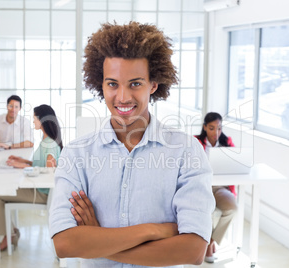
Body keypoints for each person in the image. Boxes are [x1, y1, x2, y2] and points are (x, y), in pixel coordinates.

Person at [49, 21, 215, 267]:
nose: (123, 97)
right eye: (112, 84)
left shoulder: (186, 151)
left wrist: (97, 240)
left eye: (135, 83)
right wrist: (151, 231)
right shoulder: (77, 154)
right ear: (101, 85)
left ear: (153, 85)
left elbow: (193, 251)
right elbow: (65, 244)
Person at [0, 104, 63, 251]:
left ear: (42, 120)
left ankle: (9, 235)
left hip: (42, 195)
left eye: (34, 118)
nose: (33, 121)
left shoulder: (50, 145)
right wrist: (23, 161)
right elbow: (41, 164)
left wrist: (25, 168)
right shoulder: (47, 141)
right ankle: (11, 232)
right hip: (40, 191)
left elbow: (49, 173)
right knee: (3, 191)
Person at [194, 112, 238, 263]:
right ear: (205, 127)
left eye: (219, 128)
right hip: (201, 187)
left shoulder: (227, 142)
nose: (216, 132)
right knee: (206, 211)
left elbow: (234, 165)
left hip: (220, 188)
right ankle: (202, 245)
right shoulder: (195, 142)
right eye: (212, 128)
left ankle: (209, 242)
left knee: (232, 208)